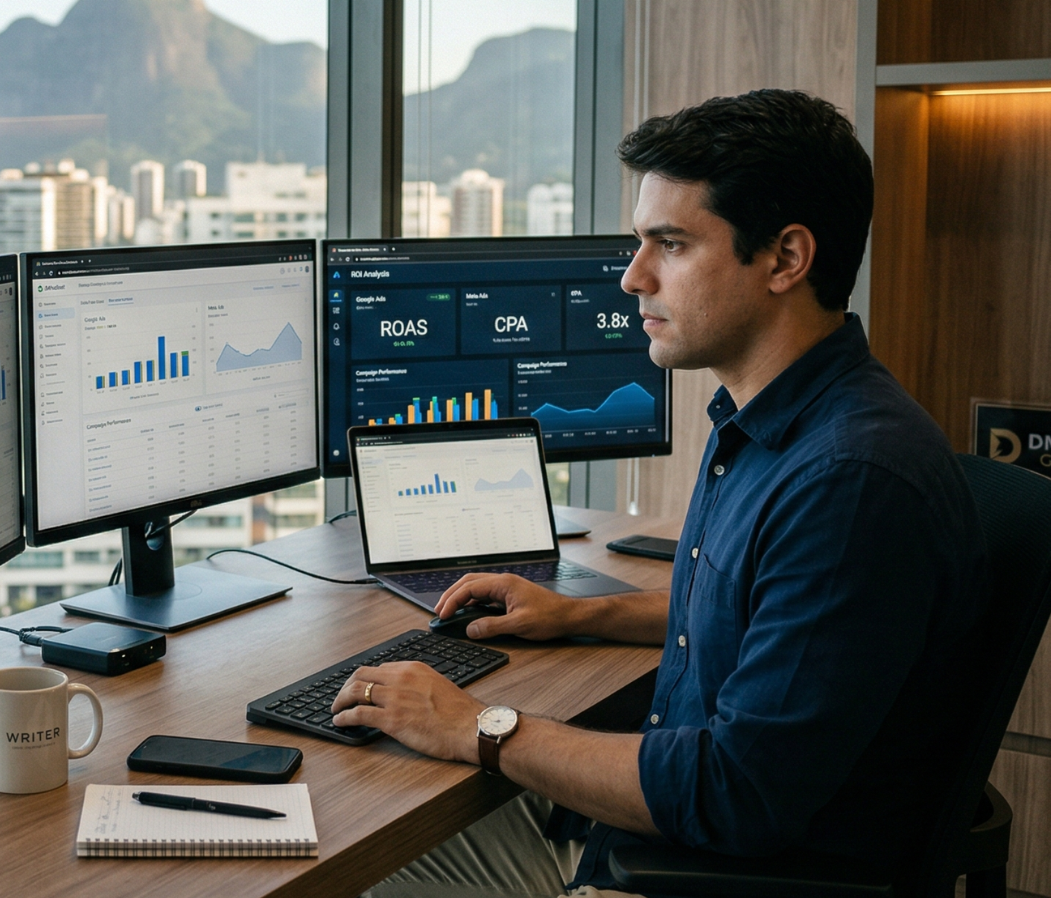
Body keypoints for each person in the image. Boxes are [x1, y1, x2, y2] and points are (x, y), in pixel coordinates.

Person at [337, 90, 990, 897]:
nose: (631, 278)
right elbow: (760, 608)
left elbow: (736, 793)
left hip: (701, 877)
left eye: (669, 245)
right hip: (654, 845)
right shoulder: (771, 417)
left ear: (786, 258)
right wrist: (579, 615)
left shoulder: (848, 483)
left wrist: (475, 725)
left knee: (346, 856)